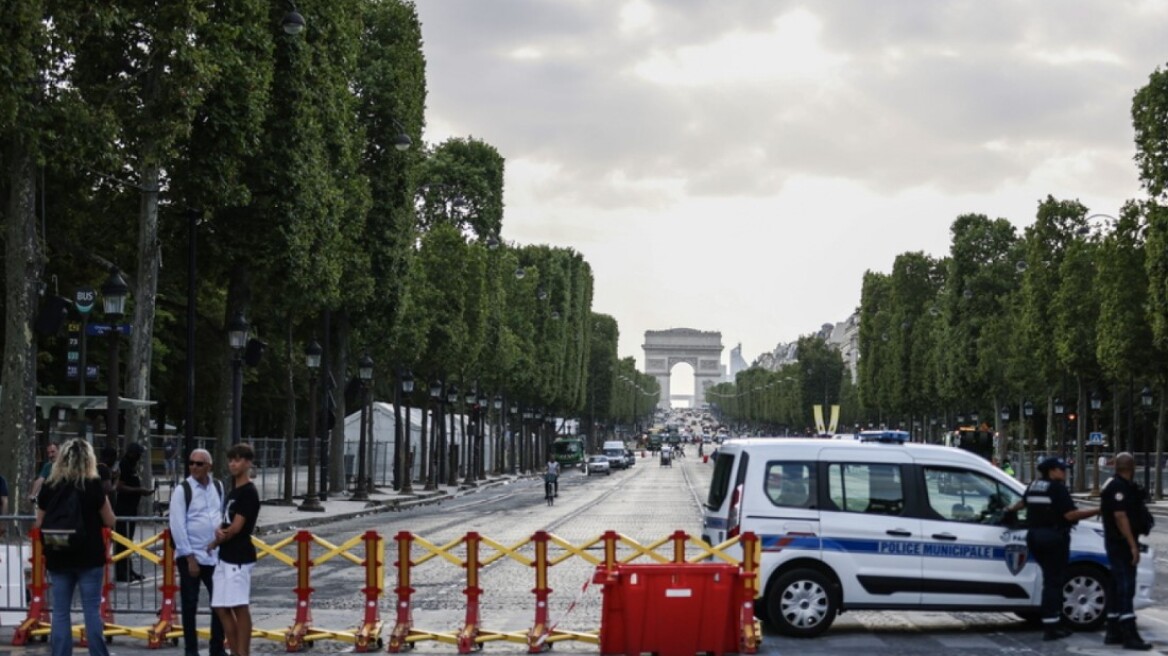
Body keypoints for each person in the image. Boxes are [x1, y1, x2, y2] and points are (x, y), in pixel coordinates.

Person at [34, 439, 116, 656]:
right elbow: (109, 520)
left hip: (58, 554)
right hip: (89, 555)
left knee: (60, 612)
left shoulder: (50, 486)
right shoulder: (92, 484)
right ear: (89, 460)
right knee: (91, 610)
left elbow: (39, 522)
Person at [1010, 457, 1099, 641]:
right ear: (1051, 471)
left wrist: (1006, 511)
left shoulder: (1034, 485)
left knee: (1049, 580)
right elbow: (1070, 514)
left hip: (1034, 537)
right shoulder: (1057, 488)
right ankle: (1051, 626)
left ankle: (1052, 621)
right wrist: (1098, 510)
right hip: (1053, 538)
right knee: (1054, 582)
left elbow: (1021, 504)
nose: (1064, 472)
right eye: (1061, 469)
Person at [170, 449, 227, 656]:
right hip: (191, 556)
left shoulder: (218, 487)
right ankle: (191, 650)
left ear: (209, 466)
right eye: (191, 463)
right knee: (189, 604)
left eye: (199, 464)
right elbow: (177, 526)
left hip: (214, 556)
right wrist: (189, 558)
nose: (194, 466)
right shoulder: (182, 490)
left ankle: (217, 647)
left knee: (220, 604)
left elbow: (220, 514)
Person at [208, 443, 260, 656]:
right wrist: (218, 534)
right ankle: (235, 649)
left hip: (238, 556)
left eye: (237, 460)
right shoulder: (233, 491)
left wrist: (217, 540)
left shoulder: (248, 492)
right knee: (220, 607)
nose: (232, 464)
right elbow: (226, 521)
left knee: (239, 606)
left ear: (248, 463)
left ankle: (242, 652)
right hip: (225, 556)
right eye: (230, 460)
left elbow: (237, 527)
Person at [1099, 452, 1153, 650]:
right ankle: (1129, 634)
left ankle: (1113, 630)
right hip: (1121, 543)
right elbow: (1121, 516)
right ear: (1132, 467)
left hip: (1116, 542)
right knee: (1125, 586)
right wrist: (1132, 545)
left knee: (1116, 585)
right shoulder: (1118, 487)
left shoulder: (1115, 485)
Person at [114, 442, 153, 582]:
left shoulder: (131, 466)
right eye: (138, 454)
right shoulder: (125, 465)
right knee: (123, 541)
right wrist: (139, 491)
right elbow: (119, 487)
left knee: (128, 541)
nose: (139, 456)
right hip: (124, 509)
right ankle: (121, 572)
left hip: (131, 508)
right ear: (132, 453)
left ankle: (128, 569)